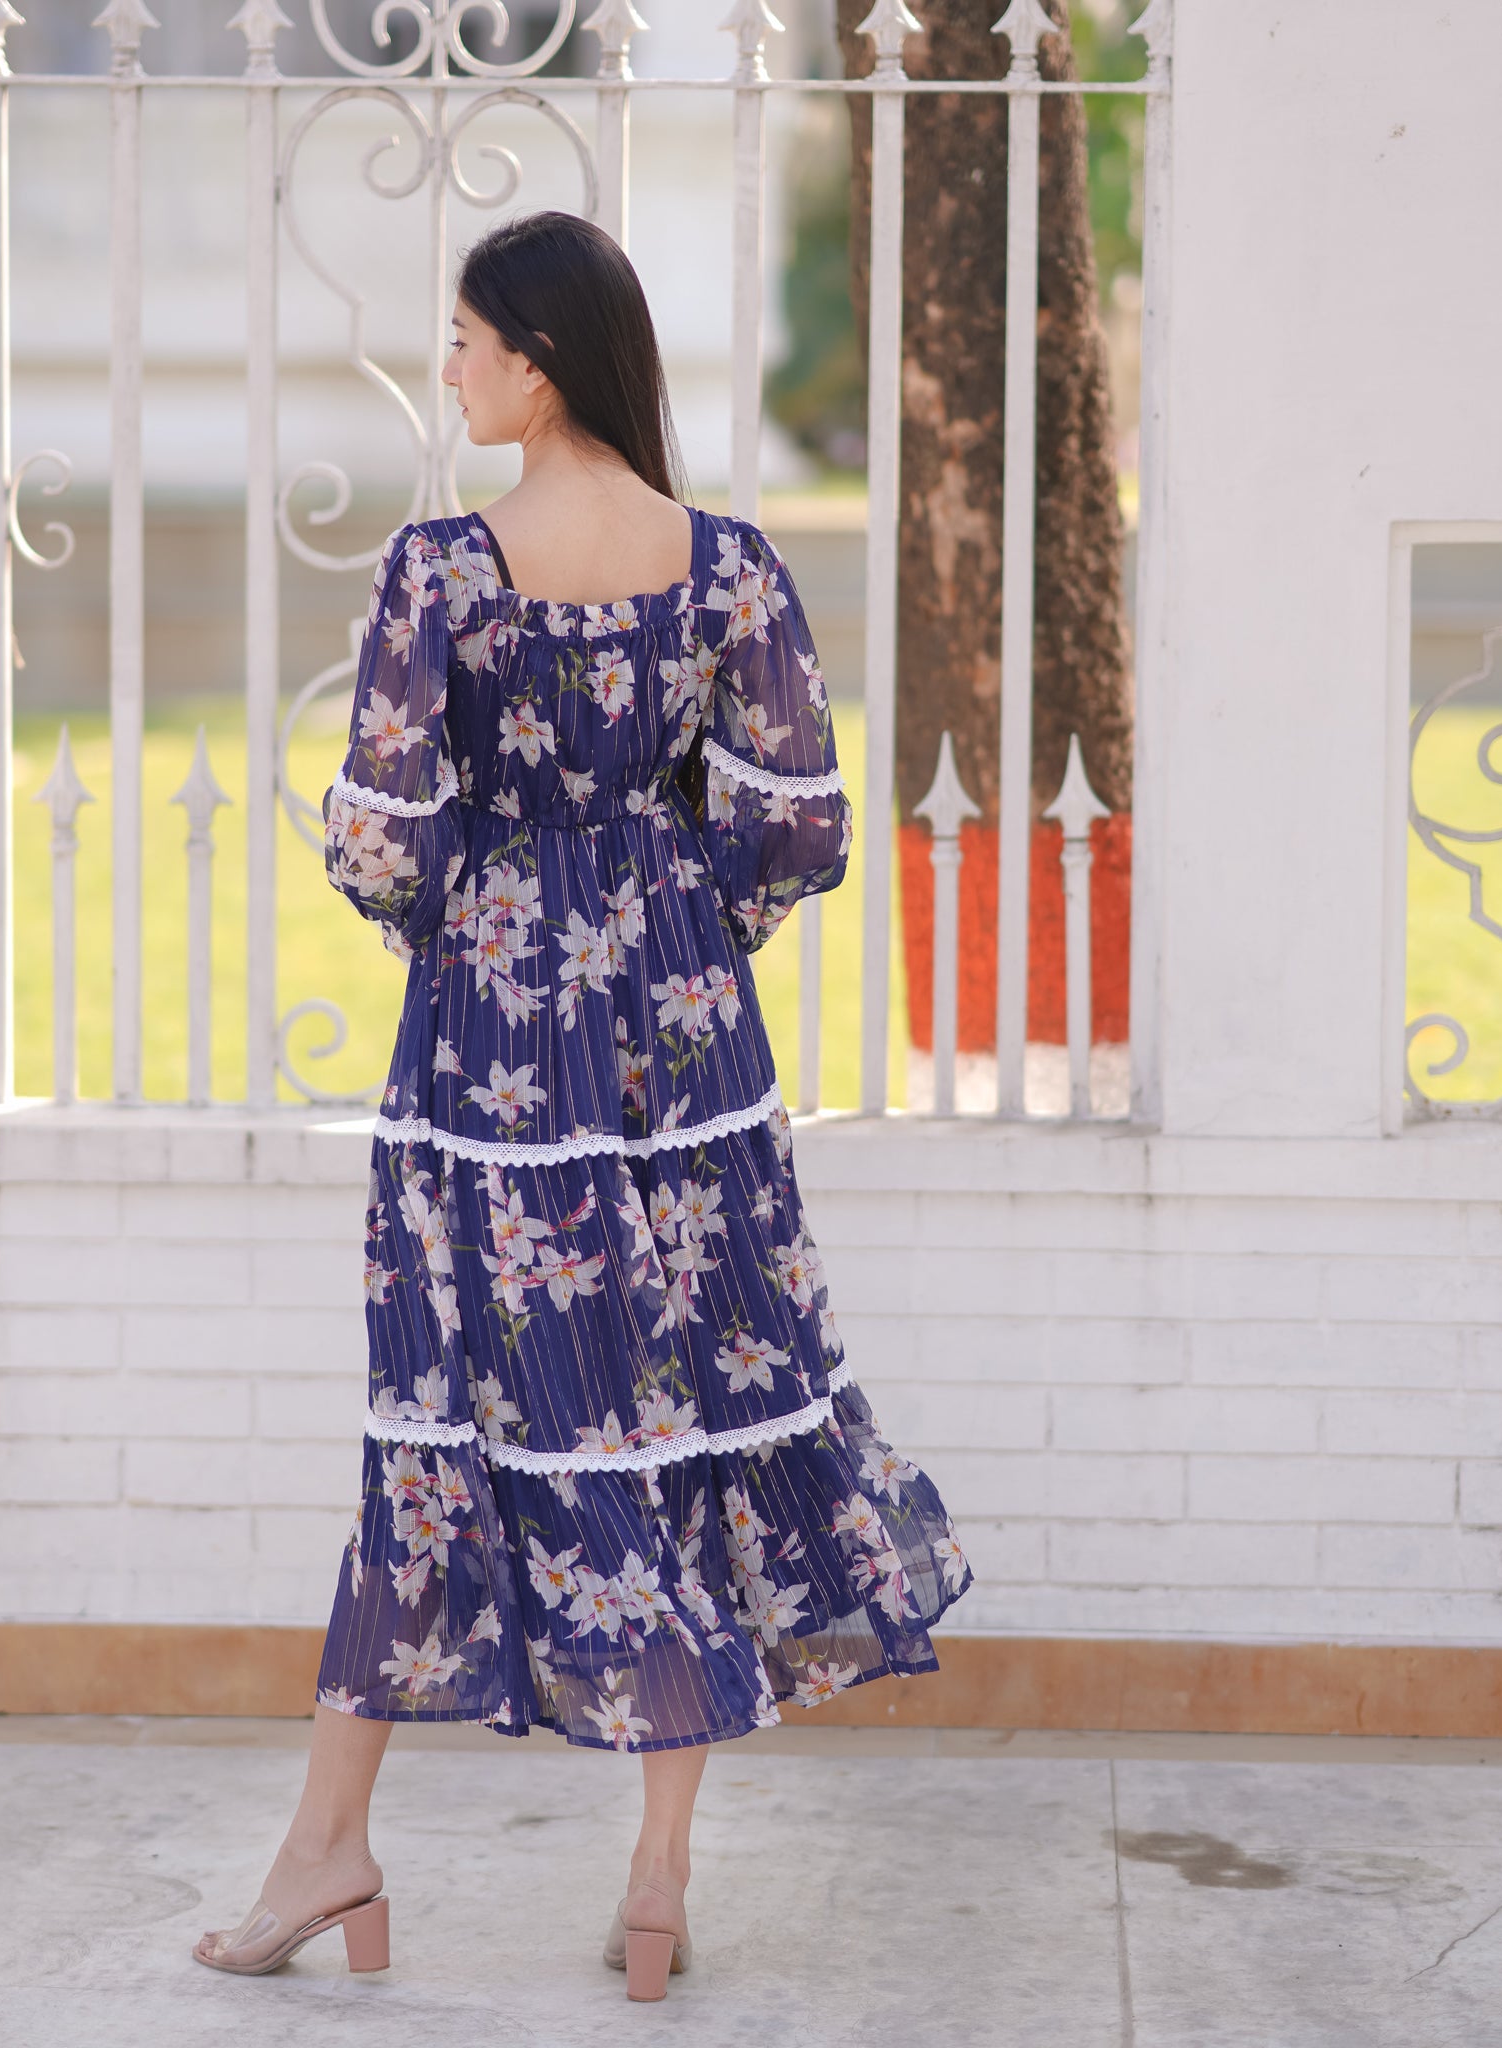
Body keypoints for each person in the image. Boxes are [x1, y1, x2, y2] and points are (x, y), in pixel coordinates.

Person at [194, 210, 973, 2003]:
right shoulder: (734, 568)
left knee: (440, 1428)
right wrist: (672, 935)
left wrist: (493, 919)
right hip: (685, 1060)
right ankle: (658, 1883)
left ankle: (329, 1849)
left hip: (488, 1067)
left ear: (537, 364)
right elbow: (795, 829)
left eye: (465, 342)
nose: (450, 369)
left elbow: (380, 842)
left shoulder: (444, 576)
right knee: (687, 1420)